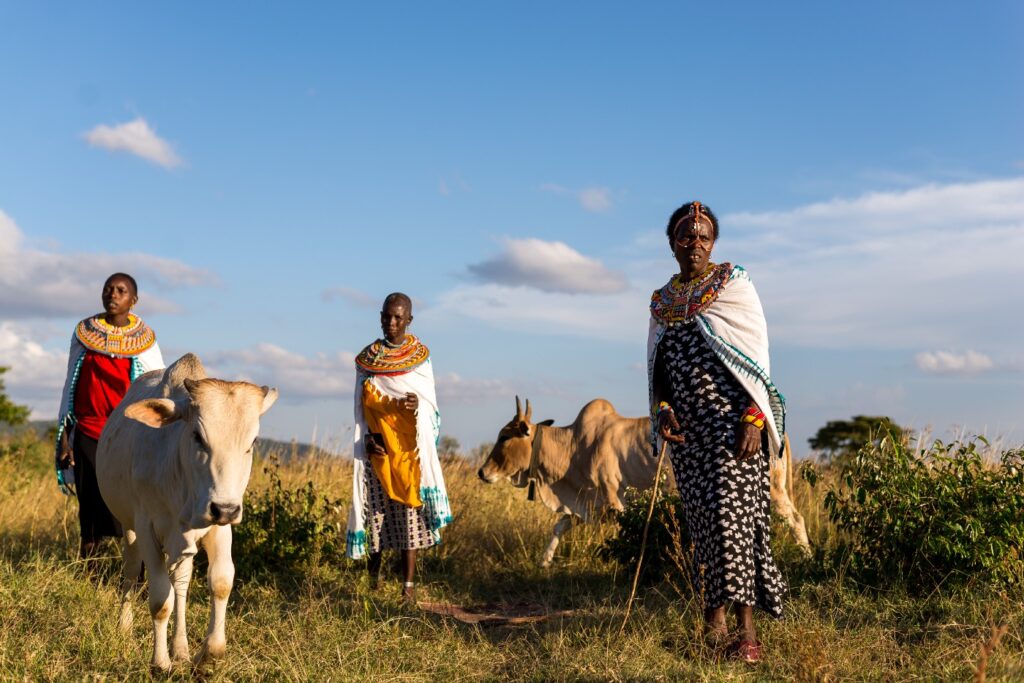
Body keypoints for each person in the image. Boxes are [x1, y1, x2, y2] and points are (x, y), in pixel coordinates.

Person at [647, 201, 787, 663]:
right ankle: (713, 626)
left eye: (704, 237)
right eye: (686, 237)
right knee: (705, 526)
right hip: (690, 436)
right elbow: (659, 369)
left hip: (734, 428)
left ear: (714, 244)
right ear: (672, 245)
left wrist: (754, 416)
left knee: (735, 523)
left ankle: (745, 634)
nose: (695, 244)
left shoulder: (735, 286)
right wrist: (664, 410)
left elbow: (755, 359)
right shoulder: (662, 302)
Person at [346, 292, 452, 602]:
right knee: (375, 512)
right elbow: (359, 407)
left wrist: (415, 404)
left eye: (397, 317)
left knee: (409, 515)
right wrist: (366, 439)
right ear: (380, 316)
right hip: (378, 447)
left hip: (408, 451)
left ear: (408, 320)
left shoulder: (420, 358)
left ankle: (408, 588)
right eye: (386, 316)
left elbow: (430, 405)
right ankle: (372, 580)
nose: (391, 323)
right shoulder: (368, 360)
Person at [55, 272, 164, 566]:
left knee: (134, 503)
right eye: (108, 289)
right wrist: (65, 437)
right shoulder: (84, 335)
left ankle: (140, 573)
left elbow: (156, 388)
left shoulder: (146, 343)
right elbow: (70, 386)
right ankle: (88, 570)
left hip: (129, 434)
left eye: (121, 290)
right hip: (88, 430)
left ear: (133, 300)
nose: (113, 295)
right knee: (89, 505)